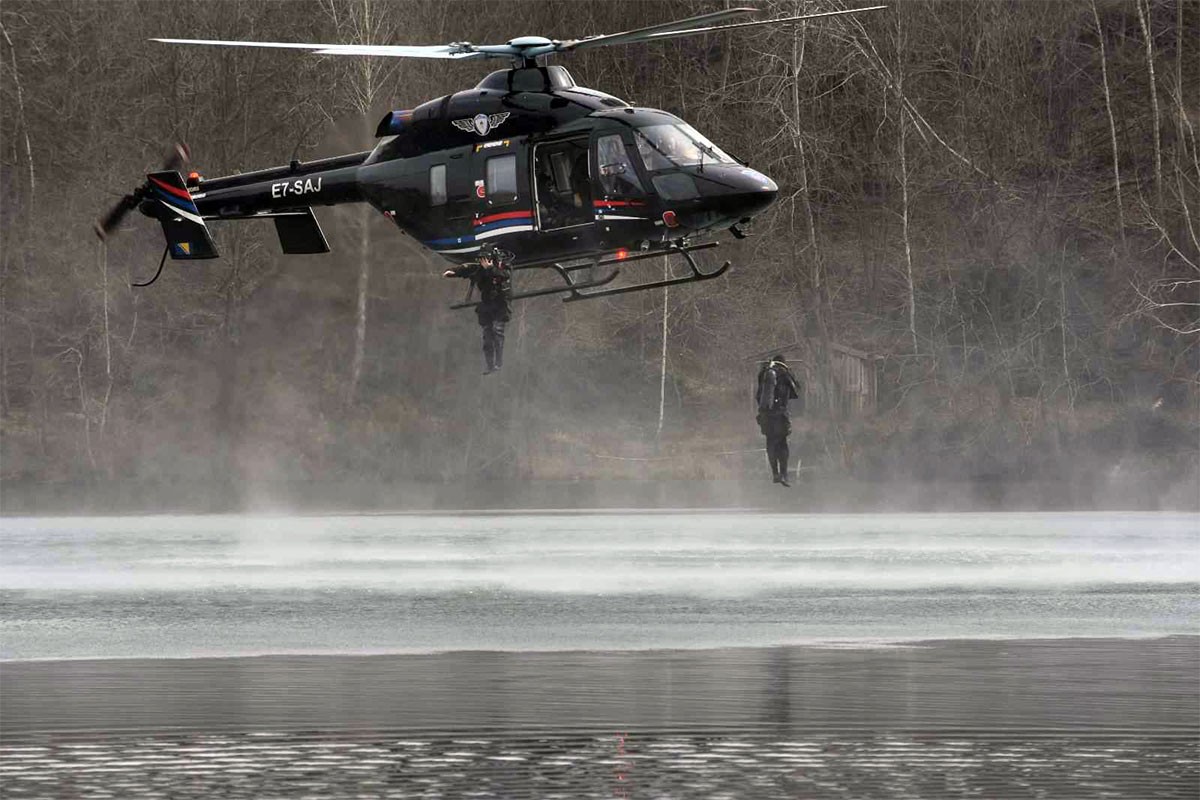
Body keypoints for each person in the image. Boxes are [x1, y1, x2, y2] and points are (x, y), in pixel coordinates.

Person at [443, 243, 513, 374]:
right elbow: (468, 268)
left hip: (500, 303)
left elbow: (505, 275)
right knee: (487, 337)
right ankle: (490, 365)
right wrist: (454, 271)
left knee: (497, 331)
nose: (483, 262)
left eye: (485, 258)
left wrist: (490, 268)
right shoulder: (479, 268)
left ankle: (498, 362)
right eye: (481, 259)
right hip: (487, 305)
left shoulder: (501, 266)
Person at [756, 355, 800, 486]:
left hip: (765, 415)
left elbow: (759, 395)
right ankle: (784, 474)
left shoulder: (763, 374)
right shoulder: (785, 374)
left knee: (770, 443)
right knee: (782, 444)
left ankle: (775, 473)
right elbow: (795, 393)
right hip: (780, 415)